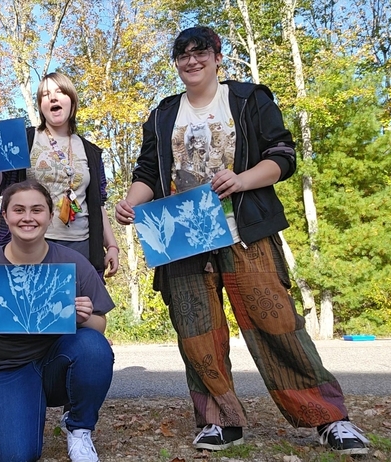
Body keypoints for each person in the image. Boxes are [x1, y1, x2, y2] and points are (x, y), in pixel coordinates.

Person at [113, 26, 369, 455]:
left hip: (244, 232)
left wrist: (241, 180)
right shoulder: (162, 114)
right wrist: (130, 203)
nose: (191, 61)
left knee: (278, 325)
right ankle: (219, 421)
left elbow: (283, 157)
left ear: (217, 57)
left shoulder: (249, 99)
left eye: (200, 53)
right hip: (181, 240)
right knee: (197, 333)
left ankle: (329, 418)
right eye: (183, 55)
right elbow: (146, 175)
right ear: (176, 63)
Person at [0, 179, 115, 462]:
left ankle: (79, 428)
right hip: (6, 370)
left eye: (37, 210)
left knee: (93, 346)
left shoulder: (72, 264)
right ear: (5, 216)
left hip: (57, 364)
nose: (28, 217)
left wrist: (84, 317)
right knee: (14, 455)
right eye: (18, 210)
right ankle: (22, 411)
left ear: (49, 216)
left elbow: (99, 327)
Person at [0, 72, 119, 281]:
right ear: (41, 105)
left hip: (81, 247)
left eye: (60, 92)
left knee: (81, 311)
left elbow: (99, 204)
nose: (52, 98)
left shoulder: (91, 151)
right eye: (45, 95)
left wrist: (112, 246)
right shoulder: (24, 139)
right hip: (30, 243)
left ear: (71, 100)